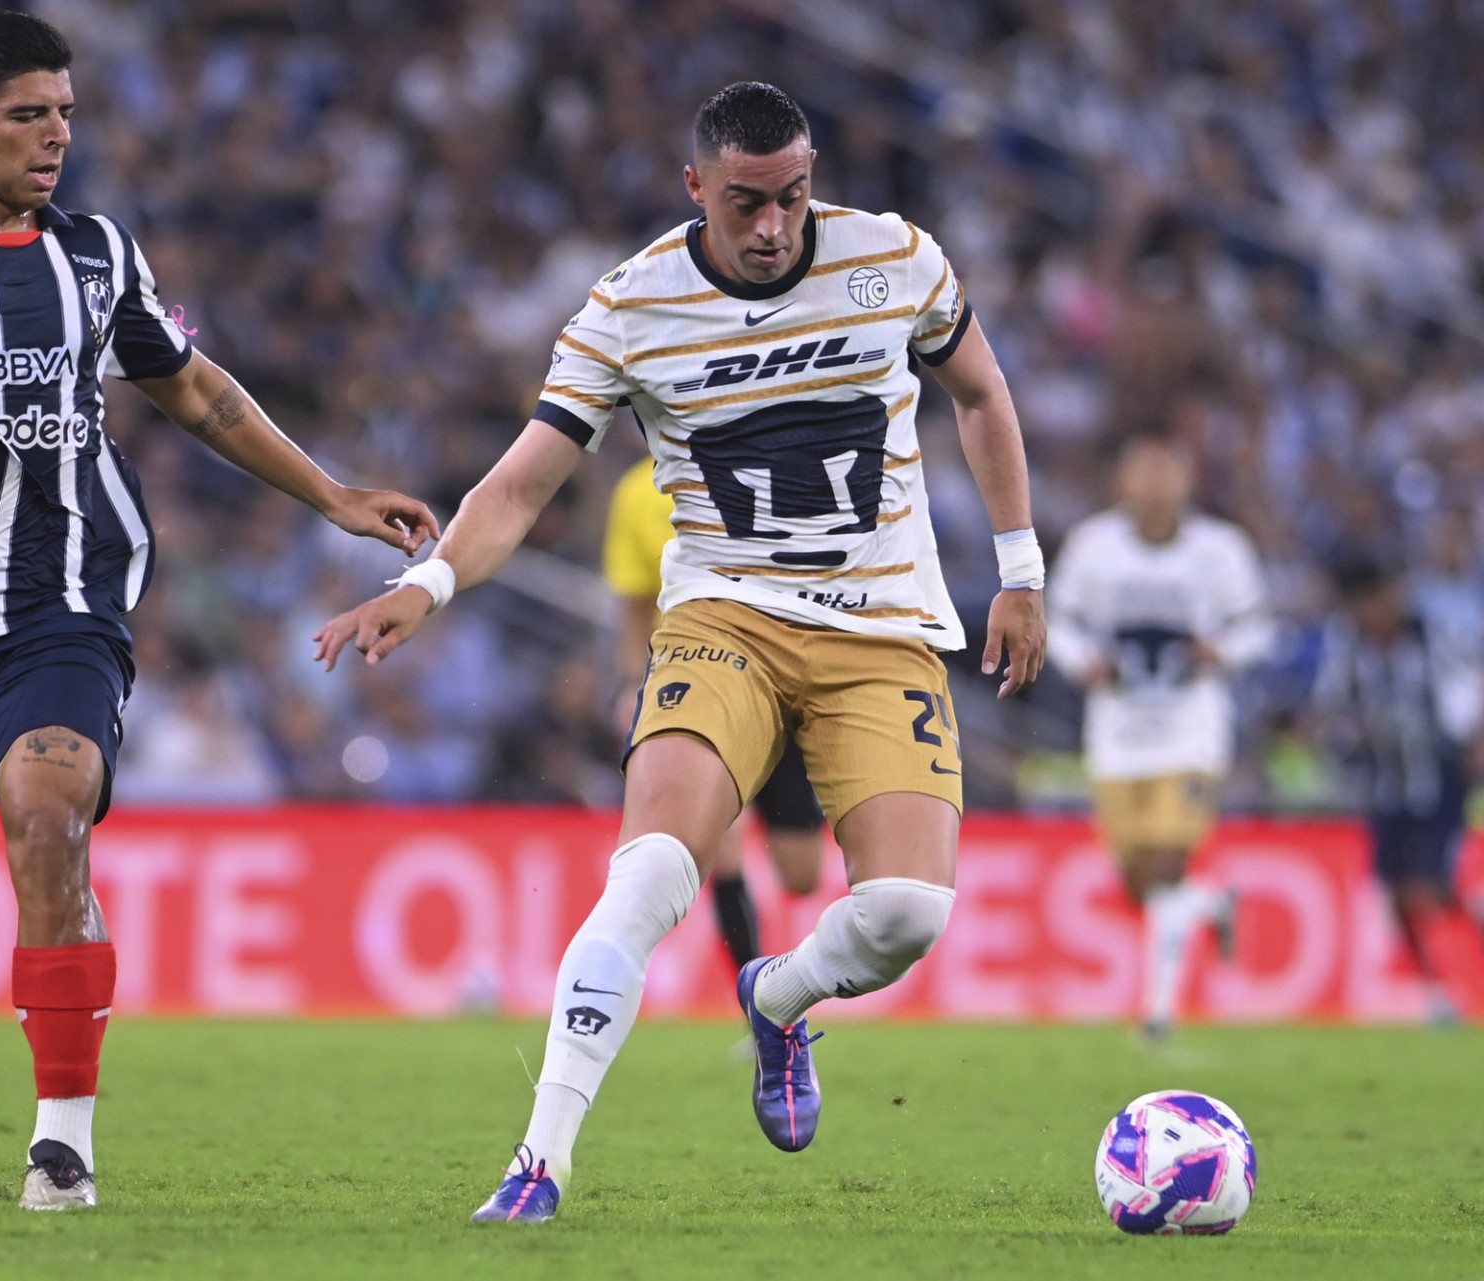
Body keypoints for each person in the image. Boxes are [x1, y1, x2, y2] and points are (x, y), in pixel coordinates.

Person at [0, 10, 435, 1211]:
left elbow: (194, 389)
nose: (57, 135)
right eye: (28, 115)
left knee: (51, 813)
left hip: (63, 606)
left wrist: (331, 495)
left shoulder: (100, 253)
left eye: (64, 112)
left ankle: (62, 1149)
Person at [315, 82, 1047, 1221]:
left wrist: (1021, 570)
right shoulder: (631, 306)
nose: (774, 226)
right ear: (696, 186)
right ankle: (539, 1161)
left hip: (880, 626)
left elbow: (984, 394)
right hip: (724, 621)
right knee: (653, 870)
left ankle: (779, 996)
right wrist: (431, 580)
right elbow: (521, 484)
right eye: (748, 202)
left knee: (908, 914)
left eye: (793, 196)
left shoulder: (894, 260)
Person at [1045, 434, 1271, 1040]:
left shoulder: (1220, 550)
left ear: (1187, 480)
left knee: (1169, 861)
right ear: (1122, 481)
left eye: (1165, 471)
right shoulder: (1094, 546)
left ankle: (1159, 1010)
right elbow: (1059, 619)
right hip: (1116, 732)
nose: (1154, 484)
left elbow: (1257, 627)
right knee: (1137, 882)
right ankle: (1212, 904)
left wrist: (1220, 652)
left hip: (1189, 729)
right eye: (1142, 471)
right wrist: (1082, 663)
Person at [604, 455, 826, 973]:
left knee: (802, 875)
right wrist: (633, 685)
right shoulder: (636, 493)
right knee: (723, 854)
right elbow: (637, 605)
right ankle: (759, 999)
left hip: (778, 687)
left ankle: (783, 983)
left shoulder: (758, 465)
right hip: (697, 688)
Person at [1315, 558, 1484, 1023]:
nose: (1372, 612)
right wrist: (1340, 734)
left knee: (1425, 890)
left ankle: (1466, 931)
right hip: (1386, 787)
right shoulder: (1349, 648)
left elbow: (1471, 691)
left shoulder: (1433, 640)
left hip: (1439, 781)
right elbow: (1332, 708)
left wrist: (1476, 742)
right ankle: (1438, 995)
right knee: (1396, 900)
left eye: (1378, 599)